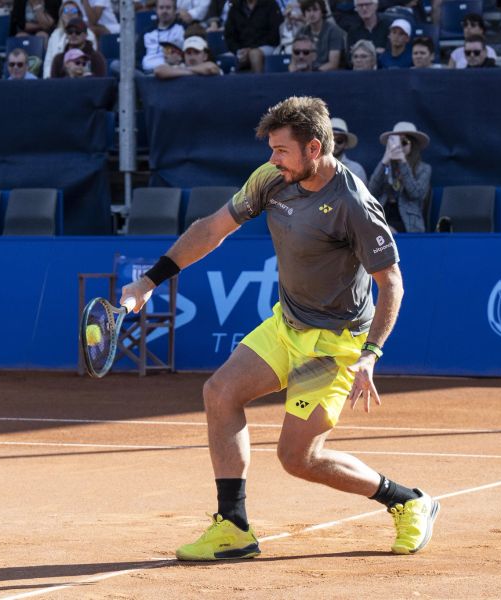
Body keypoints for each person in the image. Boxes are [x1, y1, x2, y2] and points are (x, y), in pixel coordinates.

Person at [120, 96, 439, 561]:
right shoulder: (271, 179)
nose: (272, 159)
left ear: (313, 148)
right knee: (220, 392)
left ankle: (408, 501)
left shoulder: (354, 202)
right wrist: (150, 281)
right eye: (270, 149)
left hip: (333, 345)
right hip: (287, 324)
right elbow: (212, 229)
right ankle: (233, 527)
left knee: (297, 459)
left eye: (281, 150)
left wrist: (371, 353)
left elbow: (391, 283)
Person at [369, 121, 432, 233]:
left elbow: (416, 194)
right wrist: (385, 160)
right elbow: (371, 191)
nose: (399, 146)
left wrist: (402, 162)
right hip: (384, 215)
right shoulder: (387, 167)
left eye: (404, 142)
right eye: (395, 142)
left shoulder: (424, 169)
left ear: (413, 145)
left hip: (408, 221)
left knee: (386, 232)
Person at [44, 1, 97, 79]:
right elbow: (48, 62)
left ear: (79, 15)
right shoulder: (55, 34)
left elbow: (90, 61)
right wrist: (48, 80)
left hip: (81, 79)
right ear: (61, 15)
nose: (69, 13)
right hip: (56, 79)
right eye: (65, 11)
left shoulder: (89, 34)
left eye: (73, 11)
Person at [224, 0, 281, 73]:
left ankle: (258, 83)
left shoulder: (270, 4)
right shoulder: (235, 7)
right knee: (223, 59)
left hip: (266, 45)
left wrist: (251, 49)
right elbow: (229, 36)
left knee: (254, 54)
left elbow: (275, 34)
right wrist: (238, 50)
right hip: (241, 49)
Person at [298, 0, 345, 71]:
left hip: (329, 76)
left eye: (315, 10)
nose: (311, 14)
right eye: (308, 11)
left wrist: (312, 73)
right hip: (308, 73)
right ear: (304, 13)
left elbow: (333, 64)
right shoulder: (302, 31)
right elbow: (295, 60)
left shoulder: (334, 31)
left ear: (322, 12)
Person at [141, 0, 185, 73]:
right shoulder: (146, 32)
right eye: (161, 8)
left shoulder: (182, 29)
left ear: (175, 10)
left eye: (168, 8)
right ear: (156, 10)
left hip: (171, 73)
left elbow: (189, 55)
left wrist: (179, 60)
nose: (164, 11)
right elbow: (137, 58)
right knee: (116, 65)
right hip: (145, 74)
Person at [154, 35, 221, 78]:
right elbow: (158, 70)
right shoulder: (180, 67)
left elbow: (211, 68)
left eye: (196, 52)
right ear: (184, 56)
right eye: (188, 53)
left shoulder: (179, 69)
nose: (192, 56)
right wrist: (192, 72)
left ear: (205, 56)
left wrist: (183, 71)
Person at [331, 117, 367, 184]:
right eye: (330, 139)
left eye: (339, 141)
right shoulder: (313, 166)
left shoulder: (356, 170)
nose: (334, 144)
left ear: (346, 144)